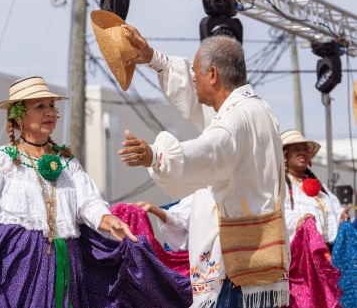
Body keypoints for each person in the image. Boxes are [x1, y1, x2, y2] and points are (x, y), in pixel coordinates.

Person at [0, 76, 193, 308]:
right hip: (15, 265)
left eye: (52, 106)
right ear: (18, 116)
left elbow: (88, 203)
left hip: (66, 264)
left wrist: (109, 221)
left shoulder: (67, 163)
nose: (50, 112)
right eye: (40, 106)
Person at [116, 30, 290, 308]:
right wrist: (155, 60)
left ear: (212, 74)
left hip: (234, 271)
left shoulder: (236, 120)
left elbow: (210, 150)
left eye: (195, 71)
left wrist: (156, 156)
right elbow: (208, 116)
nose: (192, 77)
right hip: (257, 264)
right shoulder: (257, 109)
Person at [281, 129, 351, 251]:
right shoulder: (281, 184)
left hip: (326, 248)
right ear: (284, 155)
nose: (302, 153)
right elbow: (281, 212)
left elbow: (333, 205)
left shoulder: (319, 185)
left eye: (305, 149)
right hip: (299, 251)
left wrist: (340, 215)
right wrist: (299, 221)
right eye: (296, 149)